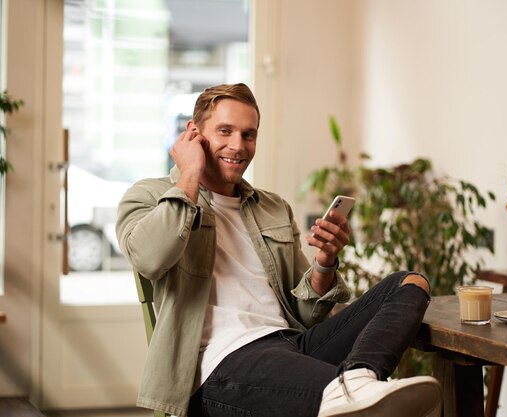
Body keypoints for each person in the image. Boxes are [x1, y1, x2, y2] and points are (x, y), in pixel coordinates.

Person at [116, 83, 442, 417]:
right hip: (220, 364)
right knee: (369, 403)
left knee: (410, 284)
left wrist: (325, 263)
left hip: (292, 345)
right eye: (224, 131)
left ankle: (357, 379)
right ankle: (351, 391)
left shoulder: (272, 207)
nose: (237, 146)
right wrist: (190, 175)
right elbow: (150, 258)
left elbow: (304, 313)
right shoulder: (148, 195)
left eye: (248, 135)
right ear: (193, 133)